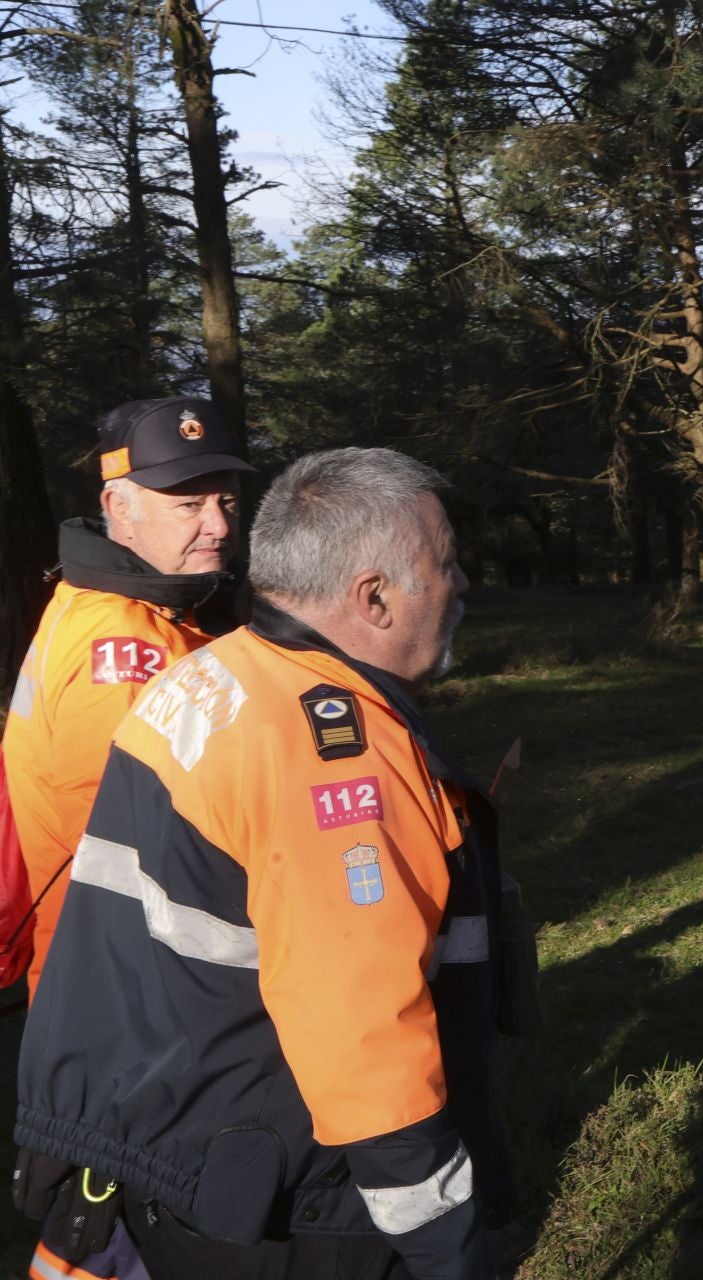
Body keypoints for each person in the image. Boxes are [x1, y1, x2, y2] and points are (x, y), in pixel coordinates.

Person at [14, 448, 517, 1280]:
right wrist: (444, 1246)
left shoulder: (215, 671)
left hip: (174, 1146)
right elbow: (365, 1041)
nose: (462, 583)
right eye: (446, 565)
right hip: (292, 1197)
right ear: (375, 596)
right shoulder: (331, 757)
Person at [3, 396, 251, 1003]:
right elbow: (125, 843)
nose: (217, 526)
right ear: (119, 507)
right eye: (190, 505)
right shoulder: (124, 646)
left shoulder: (100, 602)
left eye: (227, 502)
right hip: (125, 986)